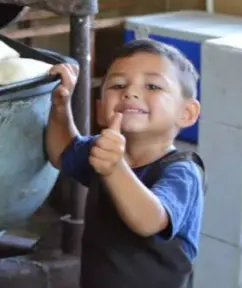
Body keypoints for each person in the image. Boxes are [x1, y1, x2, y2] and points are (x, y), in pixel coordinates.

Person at [45, 39, 206, 288]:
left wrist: (114, 167)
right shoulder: (104, 149)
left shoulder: (183, 171)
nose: (130, 92)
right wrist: (60, 106)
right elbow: (62, 153)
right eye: (118, 85)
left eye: (153, 86)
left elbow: (149, 221)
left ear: (187, 113)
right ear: (100, 110)